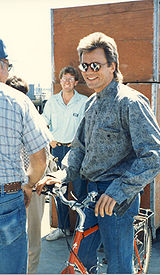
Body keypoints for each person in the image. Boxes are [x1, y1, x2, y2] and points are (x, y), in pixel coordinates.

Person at [37, 32, 160, 273]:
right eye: (84, 65)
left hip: (116, 198)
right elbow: (79, 148)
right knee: (82, 261)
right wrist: (61, 175)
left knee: (118, 267)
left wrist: (119, 190)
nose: (88, 71)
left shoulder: (130, 102)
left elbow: (155, 154)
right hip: (90, 193)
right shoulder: (91, 103)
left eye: (95, 65)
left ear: (112, 66)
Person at [0, 39, 52, 274]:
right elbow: (40, 159)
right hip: (8, 197)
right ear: (3, 65)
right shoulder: (17, 101)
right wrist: (29, 185)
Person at [6, 75, 56, 274]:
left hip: (33, 187)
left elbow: (44, 155)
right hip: (11, 188)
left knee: (32, 236)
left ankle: (30, 271)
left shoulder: (34, 119)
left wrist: (32, 183)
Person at [42, 66, 88, 241]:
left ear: (76, 82)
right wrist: (49, 139)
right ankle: (62, 228)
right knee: (58, 190)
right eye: (64, 78)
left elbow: (87, 128)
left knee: (79, 191)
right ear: (60, 81)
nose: (67, 82)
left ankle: (80, 232)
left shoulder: (83, 101)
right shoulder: (52, 102)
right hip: (58, 150)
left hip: (76, 151)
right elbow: (42, 123)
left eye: (71, 79)